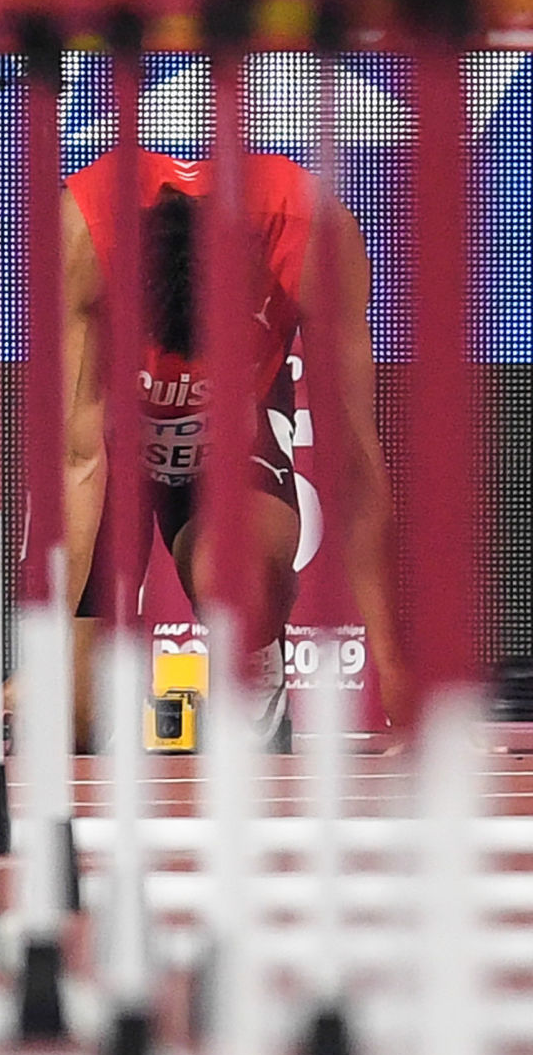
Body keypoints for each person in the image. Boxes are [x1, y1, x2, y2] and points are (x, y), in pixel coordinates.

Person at [59, 147, 409, 747]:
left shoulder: (314, 234)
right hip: (115, 447)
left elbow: (354, 462)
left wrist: (404, 684)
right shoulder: (85, 230)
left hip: (232, 442)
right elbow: (77, 463)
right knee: (70, 727)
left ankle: (256, 672)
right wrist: (40, 658)